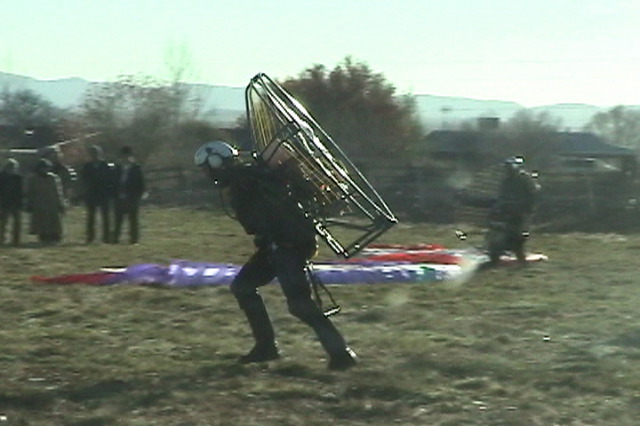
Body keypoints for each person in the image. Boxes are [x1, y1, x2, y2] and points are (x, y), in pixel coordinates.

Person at [194, 141, 357, 371]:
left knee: (299, 304)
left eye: (206, 169)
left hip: (288, 245)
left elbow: (276, 202)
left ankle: (341, 354)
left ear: (216, 163)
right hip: (275, 246)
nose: (205, 175)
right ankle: (265, 347)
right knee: (243, 287)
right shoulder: (244, 178)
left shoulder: (248, 178)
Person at [26, 158, 67, 244]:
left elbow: (58, 191)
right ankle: (43, 236)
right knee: (41, 222)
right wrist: (30, 203)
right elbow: (30, 192)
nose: (45, 170)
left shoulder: (53, 178)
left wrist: (61, 203)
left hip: (52, 203)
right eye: (43, 168)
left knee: (54, 221)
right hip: (39, 204)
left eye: (47, 168)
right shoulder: (33, 179)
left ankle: (55, 236)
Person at [112, 146, 146, 244]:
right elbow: (113, 182)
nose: (125, 159)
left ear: (131, 157)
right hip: (119, 198)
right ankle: (115, 238)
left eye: (127, 156)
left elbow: (141, 183)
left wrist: (139, 195)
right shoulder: (117, 168)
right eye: (123, 157)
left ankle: (134, 239)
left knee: (133, 219)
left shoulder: (136, 168)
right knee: (118, 220)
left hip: (132, 198)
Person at [80, 145, 113, 243]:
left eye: (96, 153)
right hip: (91, 194)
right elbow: (84, 179)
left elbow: (110, 180)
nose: (94, 156)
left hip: (103, 194)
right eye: (93, 154)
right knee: (91, 217)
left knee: (105, 217)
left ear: (100, 154)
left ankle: (106, 237)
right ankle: (90, 237)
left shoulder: (106, 166)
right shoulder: (87, 166)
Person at [0, 158, 24, 246]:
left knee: (17, 223)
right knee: (3, 222)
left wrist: (21, 201)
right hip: (4, 203)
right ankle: (2, 238)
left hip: (15, 202)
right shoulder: (1, 177)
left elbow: (20, 190)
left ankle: (16, 240)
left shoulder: (18, 178)